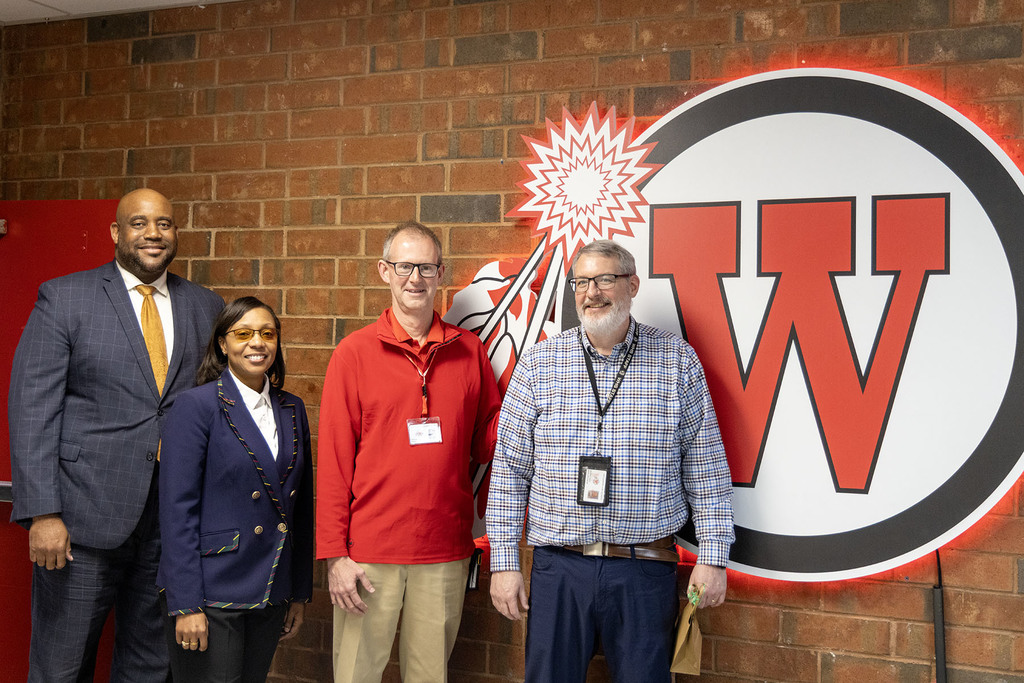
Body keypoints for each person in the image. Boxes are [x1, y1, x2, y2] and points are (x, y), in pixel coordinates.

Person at [486, 239, 735, 682]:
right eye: (581, 282)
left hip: (644, 569)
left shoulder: (676, 360)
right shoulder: (540, 364)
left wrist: (713, 556)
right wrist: (504, 562)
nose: (591, 292)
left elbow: (706, 465)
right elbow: (508, 470)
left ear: (632, 285)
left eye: (604, 279)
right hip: (559, 568)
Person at [8, 188, 224, 682]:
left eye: (164, 223)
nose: (153, 234)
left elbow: (212, 408)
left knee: (150, 666)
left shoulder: (205, 306)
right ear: (115, 232)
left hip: (168, 527)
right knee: (61, 667)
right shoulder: (65, 297)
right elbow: (32, 410)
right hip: (80, 523)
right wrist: (43, 512)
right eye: (139, 223)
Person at [317, 220, 501, 683]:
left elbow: (489, 443)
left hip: (444, 549)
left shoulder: (469, 351)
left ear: (441, 274)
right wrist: (335, 555)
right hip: (368, 553)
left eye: (426, 267)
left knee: (429, 676)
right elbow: (334, 463)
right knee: (356, 675)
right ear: (385, 271)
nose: (415, 278)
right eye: (404, 267)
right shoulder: (353, 353)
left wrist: (539, 407)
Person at [157, 296, 313, 682]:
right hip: (211, 590)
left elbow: (301, 510)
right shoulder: (196, 406)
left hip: (271, 585)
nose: (257, 342)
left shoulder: (292, 408)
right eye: (243, 334)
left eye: (267, 334)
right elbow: (177, 511)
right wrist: (185, 605)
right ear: (222, 344)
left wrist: (298, 592)